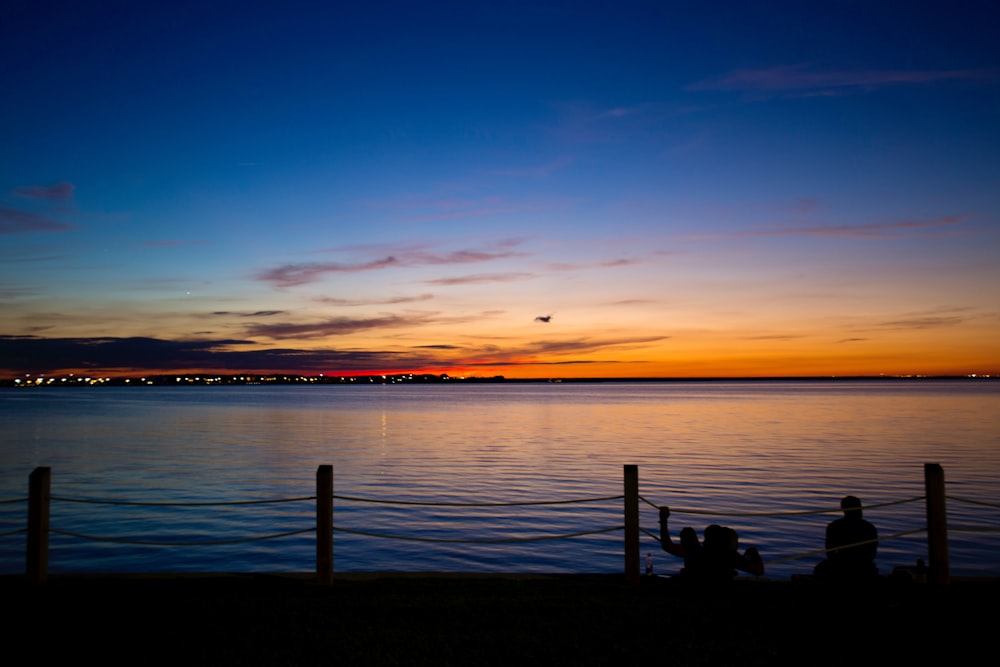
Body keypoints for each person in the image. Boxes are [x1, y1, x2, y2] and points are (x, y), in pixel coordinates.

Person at [658, 506, 764, 580]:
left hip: (693, 593)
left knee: (687, 532)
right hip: (719, 596)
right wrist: (754, 553)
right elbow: (759, 570)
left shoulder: (696, 552)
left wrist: (663, 520)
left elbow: (668, 546)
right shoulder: (730, 557)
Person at [814, 495, 878, 579]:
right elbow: (872, 553)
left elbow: (830, 551)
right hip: (859, 565)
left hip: (845, 564)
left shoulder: (834, 526)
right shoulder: (869, 527)